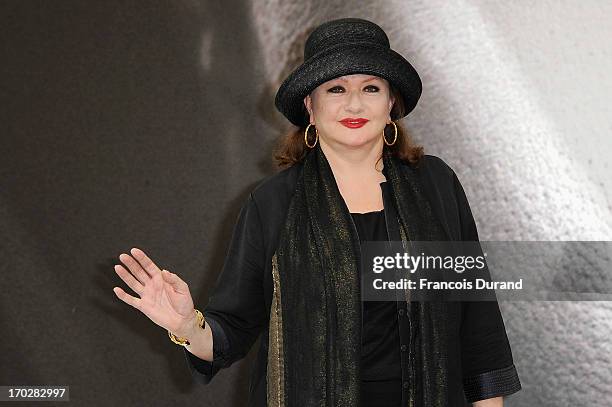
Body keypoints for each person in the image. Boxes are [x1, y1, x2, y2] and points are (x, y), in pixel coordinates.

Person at [112, 17, 521, 407]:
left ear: (391, 101)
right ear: (311, 105)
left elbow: (478, 322)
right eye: (336, 89)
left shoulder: (436, 184)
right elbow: (232, 329)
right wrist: (186, 326)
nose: (354, 104)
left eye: (371, 88)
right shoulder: (273, 202)